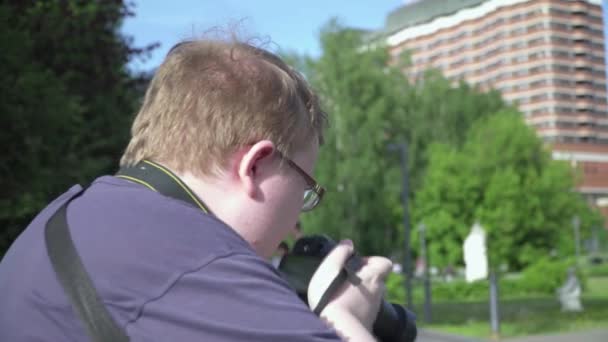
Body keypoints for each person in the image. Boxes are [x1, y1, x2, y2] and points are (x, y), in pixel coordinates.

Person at [0, 37, 392, 341]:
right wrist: (344, 318)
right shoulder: (200, 264)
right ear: (254, 166)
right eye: (306, 189)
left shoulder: (63, 214)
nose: (296, 224)